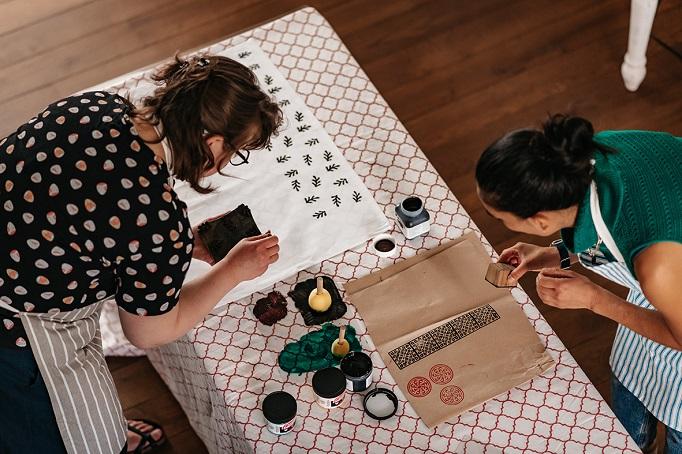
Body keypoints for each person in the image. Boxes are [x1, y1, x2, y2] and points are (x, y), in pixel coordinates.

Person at [0, 54, 282, 453]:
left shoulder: (95, 104)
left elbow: (80, 205)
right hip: (18, 326)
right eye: (235, 151)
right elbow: (151, 331)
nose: (227, 162)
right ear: (213, 142)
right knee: (91, 442)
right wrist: (233, 270)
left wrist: (175, 248)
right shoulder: (155, 218)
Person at [475, 114, 682, 453]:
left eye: (499, 218)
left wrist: (594, 299)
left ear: (541, 221)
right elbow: (609, 221)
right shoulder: (586, 156)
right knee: (630, 415)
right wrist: (552, 253)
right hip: (669, 272)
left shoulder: (657, 266)